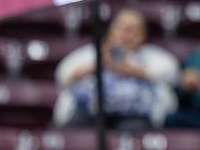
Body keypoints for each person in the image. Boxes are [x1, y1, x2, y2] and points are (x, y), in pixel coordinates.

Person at [50, 8, 178, 129]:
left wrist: (131, 70)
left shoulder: (154, 56)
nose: (126, 33)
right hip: (89, 112)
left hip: (135, 115)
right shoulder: (91, 53)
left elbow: (172, 74)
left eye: (133, 29)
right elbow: (63, 75)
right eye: (121, 27)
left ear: (143, 35)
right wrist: (97, 66)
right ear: (111, 31)